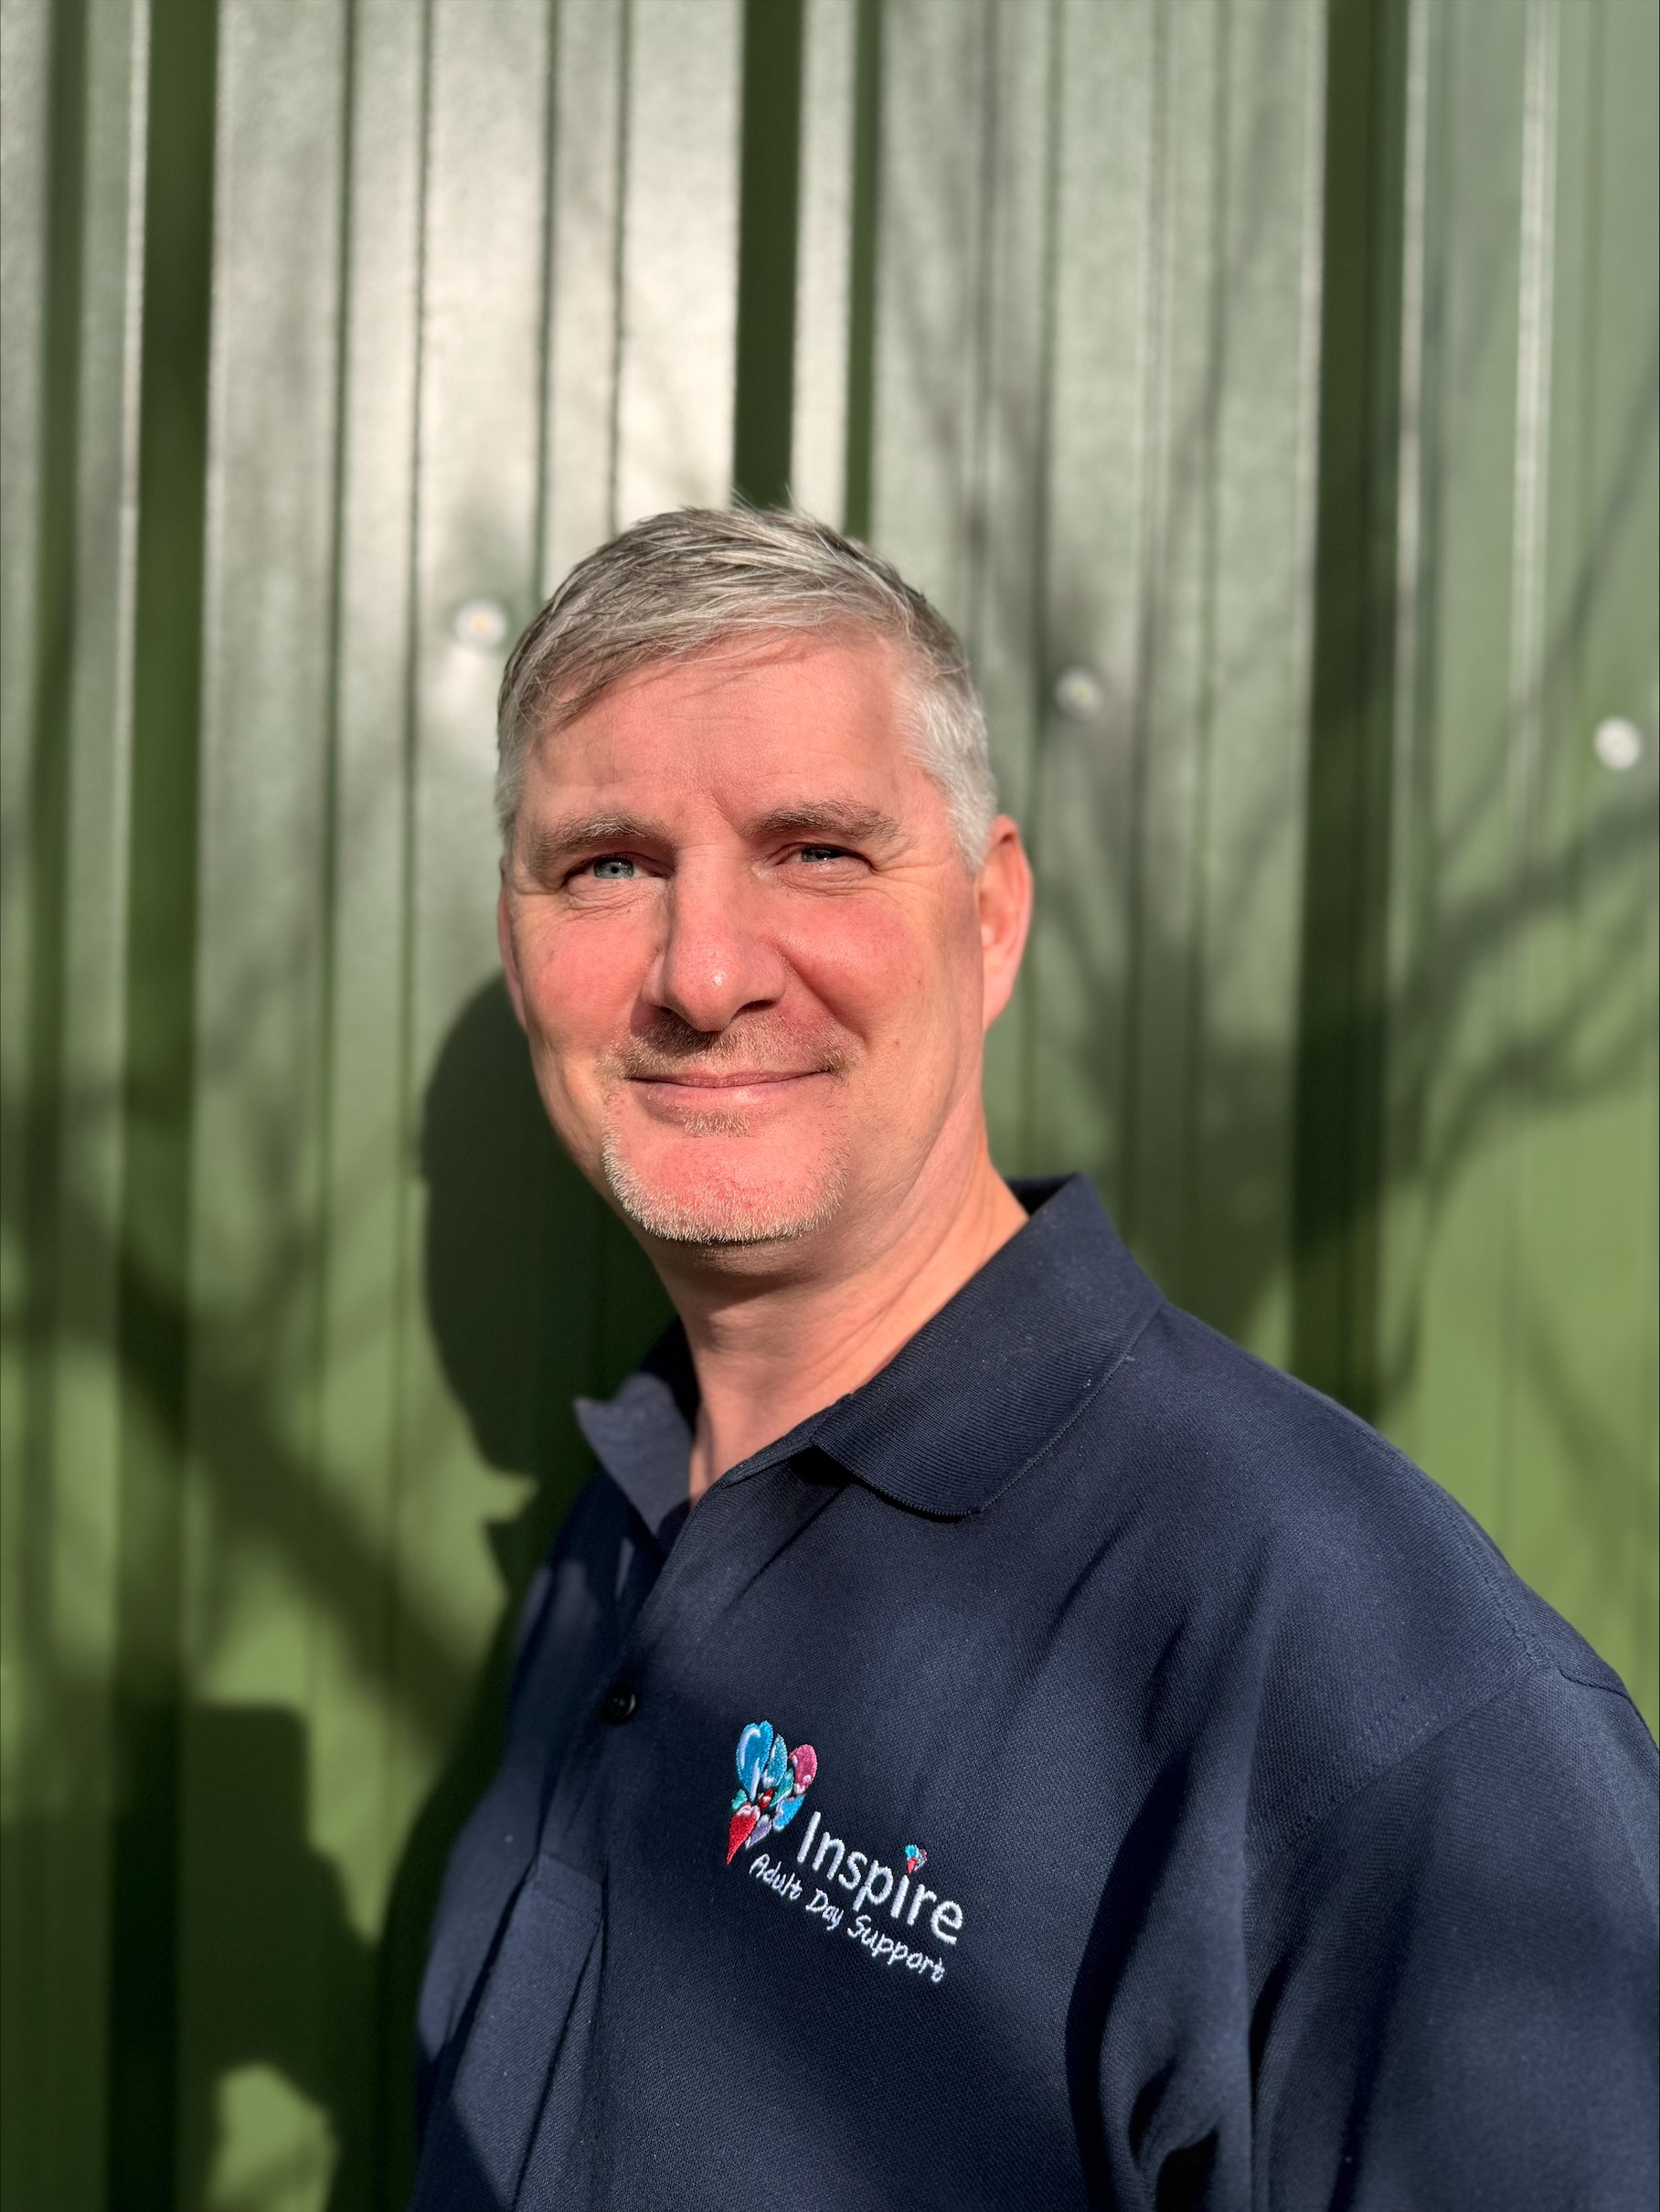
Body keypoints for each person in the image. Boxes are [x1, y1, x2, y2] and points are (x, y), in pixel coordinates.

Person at [411, 507, 1657, 2211]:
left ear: (990, 918)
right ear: (519, 937)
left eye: (817, 851)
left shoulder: (1371, 1699)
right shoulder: (626, 1511)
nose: (702, 974)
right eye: (610, 863)